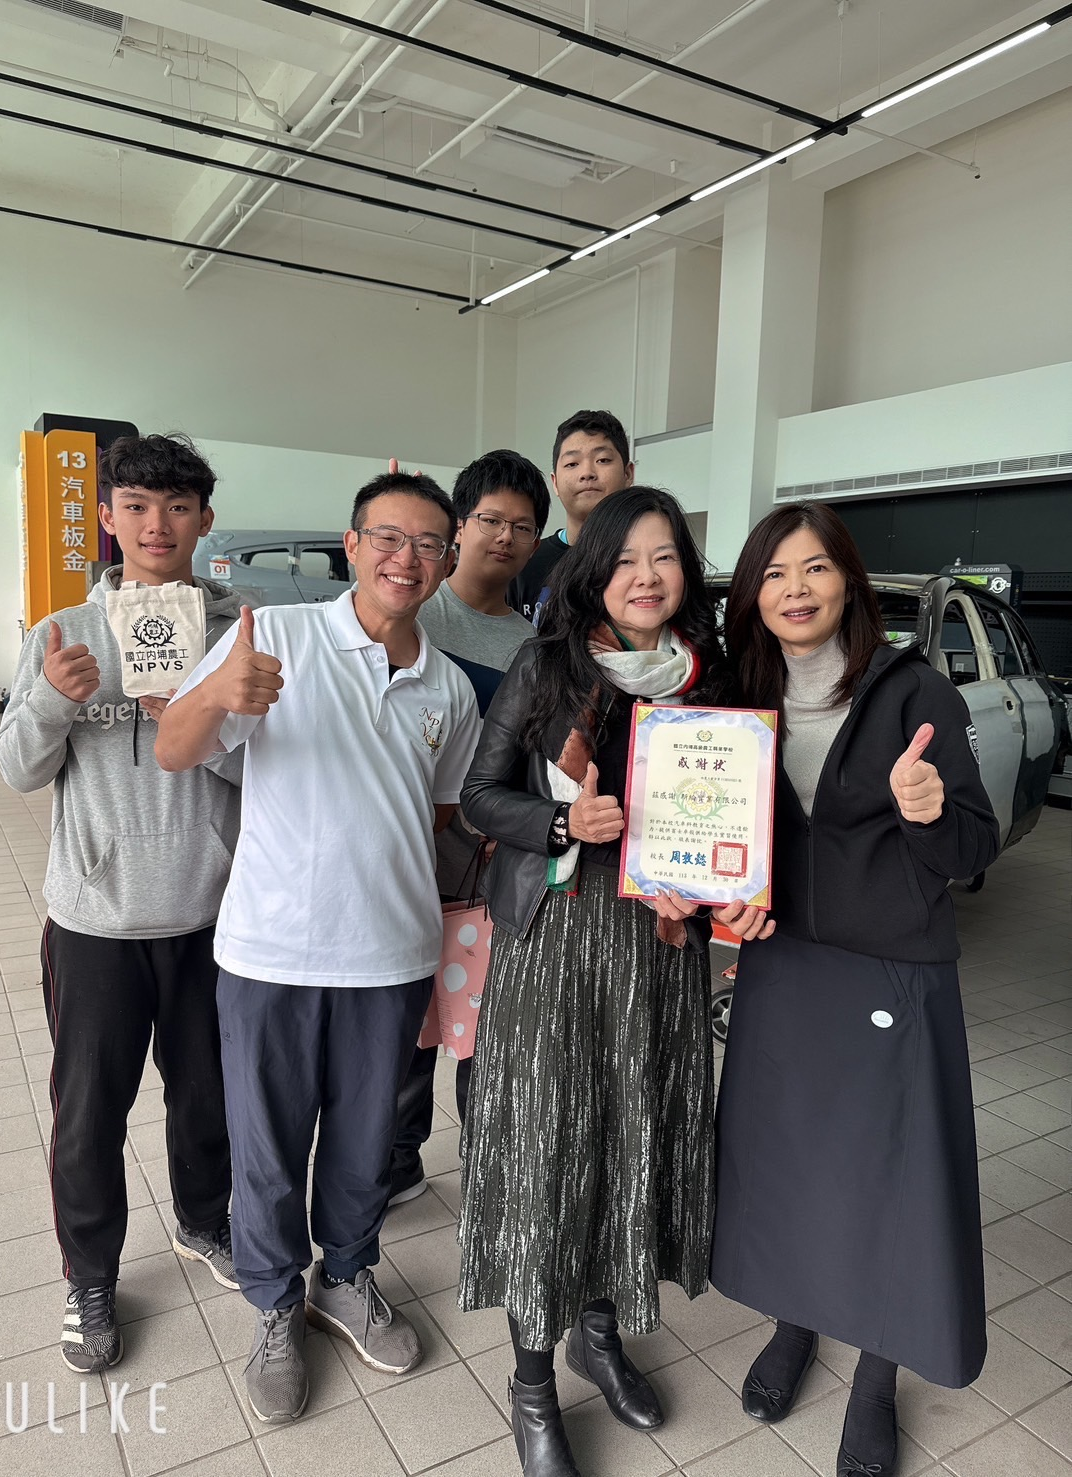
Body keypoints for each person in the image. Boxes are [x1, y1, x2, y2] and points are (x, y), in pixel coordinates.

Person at [155, 471, 480, 1425]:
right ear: (352, 545)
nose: (406, 558)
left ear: (446, 559)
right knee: (266, 1142)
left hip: (391, 953)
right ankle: (271, 1301)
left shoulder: (450, 686)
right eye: (388, 537)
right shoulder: (279, 637)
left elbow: (441, 811)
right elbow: (175, 747)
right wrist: (218, 692)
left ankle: (345, 1275)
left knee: (365, 1139)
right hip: (272, 950)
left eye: (428, 543)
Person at [457, 488, 762, 1477]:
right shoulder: (547, 664)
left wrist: (727, 889)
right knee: (552, 1147)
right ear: (595, 569)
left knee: (629, 1133)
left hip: (656, 949)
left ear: (685, 572)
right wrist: (562, 822)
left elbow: (730, 815)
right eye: (625, 557)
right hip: (557, 940)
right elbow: (479, 796)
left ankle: (598, 1332)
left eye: (664, 556)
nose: (645, 575)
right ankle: (531, 1382)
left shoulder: (709, 677)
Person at [710, 502, 999, 1477]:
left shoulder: (914, 692)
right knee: (788, 1159)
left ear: (848, 582)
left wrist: (928, 810)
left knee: (888, 1179)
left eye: (815, 569)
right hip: (783, 962)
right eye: (774, 572)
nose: (794, 589)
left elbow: (972, 846)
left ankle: (876, 1374)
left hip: (892, 967)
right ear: (753, 594)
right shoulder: (736, 696)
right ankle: (795, 1320)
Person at [0, 433, 241, 1373]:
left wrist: (211, 710)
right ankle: (90, 1274)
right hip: (95, 919)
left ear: (204, 520)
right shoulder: (63, 632)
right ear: (106, 516)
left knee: (207, 1093)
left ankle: (206, 1221)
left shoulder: (237, 630)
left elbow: (268, 773)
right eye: (136, 505)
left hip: (210, 914)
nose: (156, 524)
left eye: (177, 507)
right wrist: (53, 703)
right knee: (90, 1110)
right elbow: (19, 771)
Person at [391, 449, 551, 1205]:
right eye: (491, 519)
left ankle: (486, 1168)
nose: (505, 537)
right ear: (460, 524)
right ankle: (395, 1159)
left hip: (488, 854)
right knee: (405, 1012)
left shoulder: (533, 644)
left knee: (480, 1017)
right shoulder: (417, 613)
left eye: (523, 526)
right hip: (410, 845)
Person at [508, 409, 634, 626]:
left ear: (628, 474)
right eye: (572, 464)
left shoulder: (647, 562)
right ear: (555, 483)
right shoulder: (525, 563)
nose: (587, 473)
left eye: (603, 460)